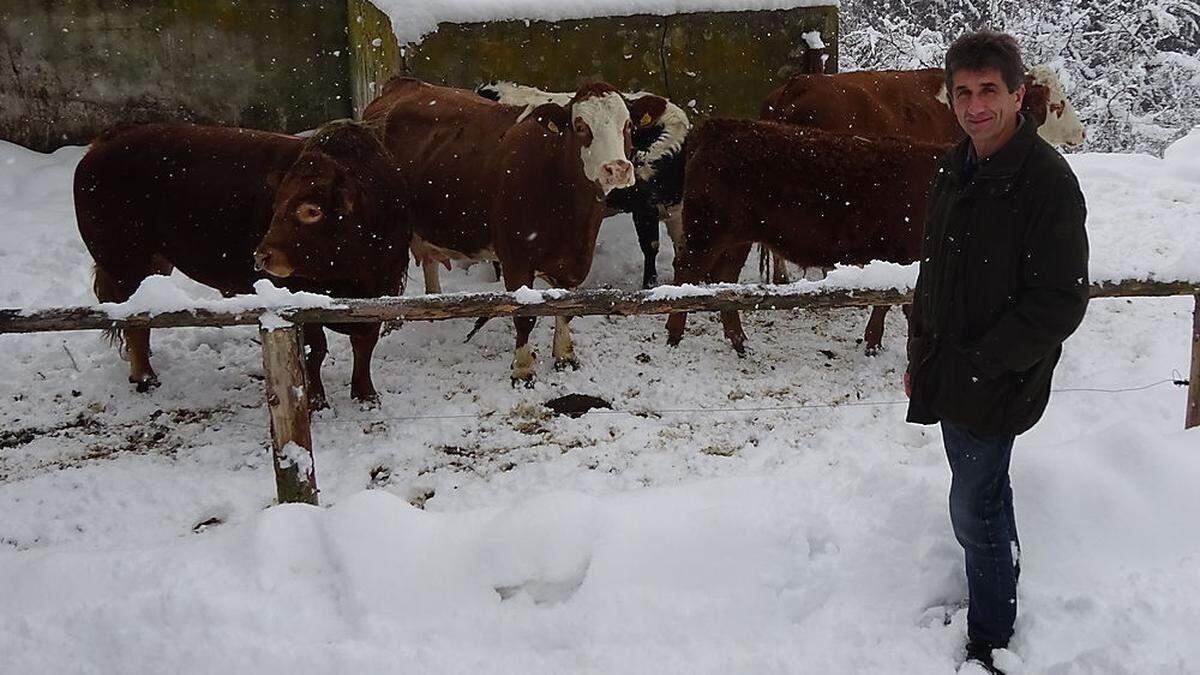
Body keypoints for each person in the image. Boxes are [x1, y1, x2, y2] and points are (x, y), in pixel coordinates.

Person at [903, 30, 1090, 674]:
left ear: (1018, 95)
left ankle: (991, 635)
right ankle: (993, 595)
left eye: (989, 91)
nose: (975, 105)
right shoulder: (956, 166)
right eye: (963, 92)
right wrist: (920, 354)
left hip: (996, 377)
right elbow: (935, 273)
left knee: (975, 503)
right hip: (950, 366)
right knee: (980, 492)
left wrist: (984, 362)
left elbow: (1061, 299)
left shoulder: (1045, 181)